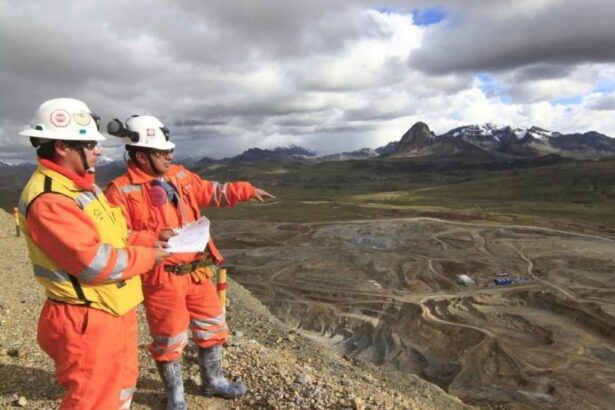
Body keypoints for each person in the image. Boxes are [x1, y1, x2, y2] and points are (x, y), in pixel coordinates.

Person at [105, 115, 274, 409]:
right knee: (169, 340)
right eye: (161, 152)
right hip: (162, 278)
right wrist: (153, 235)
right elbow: (117, 237)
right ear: (140, 155)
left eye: (169, 150)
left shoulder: (180, 176)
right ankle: (176, 397)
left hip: (196, 272)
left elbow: (210, 190)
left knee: (212, 327)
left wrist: (245, 190)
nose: (170, 155)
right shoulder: (119, 191)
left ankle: (214, 381)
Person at [17, 98, 168, 410]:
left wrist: (153, 237)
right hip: (85, 318)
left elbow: (115, 235)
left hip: (111, 310)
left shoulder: (83, 188)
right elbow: (95, 264)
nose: (99, 151)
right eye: (89, 144)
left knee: (120, 389)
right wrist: (148, 257)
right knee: (94, 401)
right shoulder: (50, 199)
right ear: (61, 146)